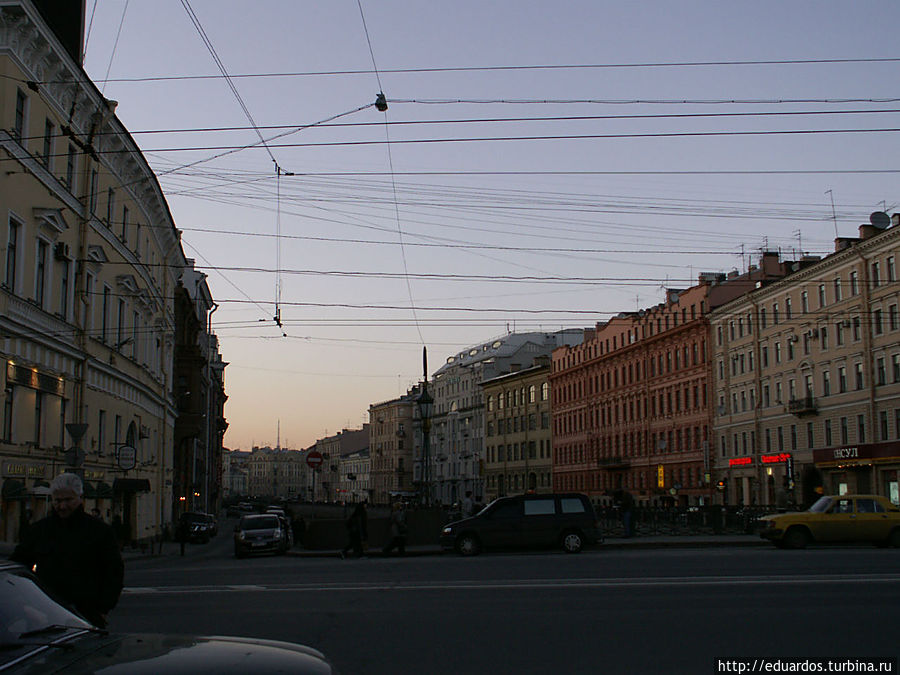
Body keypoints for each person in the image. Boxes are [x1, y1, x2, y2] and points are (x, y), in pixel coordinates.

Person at [11, 472, 124, 628]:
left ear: (80, 498)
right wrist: (26, 605)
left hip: (86, 613)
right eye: (57, 500)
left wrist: (103, 609)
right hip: (46, 613)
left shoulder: (100, 532)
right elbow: (18, 568)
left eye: (68, 500)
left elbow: (114, 572)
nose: (62, 506)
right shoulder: (39, 531)